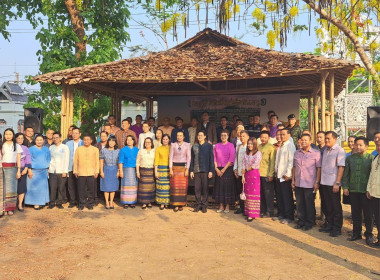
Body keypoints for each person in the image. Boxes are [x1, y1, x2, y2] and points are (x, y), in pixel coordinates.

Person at [342, 137, 374, 244]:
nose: (358, 147)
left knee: (368, 214)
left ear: (366, 146)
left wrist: (370, 190)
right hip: (353, 190)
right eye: (357, 145)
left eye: (361, 145)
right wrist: (345, 187)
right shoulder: (350, 159)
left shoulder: (371, 159)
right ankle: (356, 233)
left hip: (366, 192)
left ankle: (369, 234)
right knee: (355, 213)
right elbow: (345, 175)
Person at [292, 134, 321, 231]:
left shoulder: (316, 153)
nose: (303, 142)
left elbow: (318, 169)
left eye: (306, 140)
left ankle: (310, 222)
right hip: (298, 182)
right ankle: (301, 221)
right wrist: (293, 180)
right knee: (299, 203)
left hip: (309, 183)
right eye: (302, 140)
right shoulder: (296, 153)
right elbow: (294, 167)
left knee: (309, 203)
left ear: (310, 141)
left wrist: (317, 182)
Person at [319, 131, 346, 237]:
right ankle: (329, 225)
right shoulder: (325, 150)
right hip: (323, 182)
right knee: (326, 205)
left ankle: (337, 228)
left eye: (328, 138)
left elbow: (341, 167)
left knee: (335, 206)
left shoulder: (340, 150)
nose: (326, 140)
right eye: (325, 138)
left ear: (335, 139)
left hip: (333, 183)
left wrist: (337, 183)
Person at [273, 128, 296, 224]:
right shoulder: (281, 145)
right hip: (278, 175)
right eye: (280, 134)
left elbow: (291, 161)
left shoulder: (290, 146)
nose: (281, 136)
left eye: (283, 134)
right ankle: (281, 214)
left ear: (289, 135)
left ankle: (289, 216)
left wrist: (288, 174)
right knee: (279, 196)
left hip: (285, 176)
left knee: (287, 197)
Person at [190, 131, 214, 213]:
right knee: (197, 188)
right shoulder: (194, 146)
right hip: (196, 170)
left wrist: (211, 170)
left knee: (205, 188)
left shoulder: (209, 146)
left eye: (201, 135)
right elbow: (192, 160)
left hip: (206, 170)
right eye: (198, 135)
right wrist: (191, 170)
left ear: (205, 137)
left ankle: (204, 205)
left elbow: (211, 159)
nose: (199, 136)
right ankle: (198, 204)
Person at [73, 134, 99, 210]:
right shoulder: (79, 149)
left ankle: (90, 203)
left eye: (88, 140)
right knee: (81, 189)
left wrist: (96, 171)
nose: (86, 141)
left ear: (91, 141)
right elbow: (75, 161)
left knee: (91, 189)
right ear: (83, 141)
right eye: (84, 140)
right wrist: (75, 171)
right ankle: (81, 203)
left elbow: (97, 161)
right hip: (81, 172)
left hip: (92, 172)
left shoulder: (95, 149)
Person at [25, 134, 51, 210]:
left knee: (42, 188)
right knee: (34, 188)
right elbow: (28, 161)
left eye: (40, 140)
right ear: (35, 141)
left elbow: (48, 159)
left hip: (44, 171)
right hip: (34, 171)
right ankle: (35, 203)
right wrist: (29, 170)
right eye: (37, 140)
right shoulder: (31, 149)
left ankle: (42, 201)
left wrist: (48, 170)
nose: (39, 141)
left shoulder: (46, 149)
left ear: (43, 141)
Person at [213, 130, 236, 213]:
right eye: (222, 135)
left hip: (227, 169)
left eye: (225, 135)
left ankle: (227, 206)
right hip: (218, 169)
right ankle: (221, 205)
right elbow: (214, 157)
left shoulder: (231, 145)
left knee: (227, 188)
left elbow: (231, 158)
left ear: (228, 136)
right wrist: (216, 169)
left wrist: (223, 169)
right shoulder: (217, 145)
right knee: (220, 187)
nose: (223, 137)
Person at [169, 131, 191, 212]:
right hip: (175, 167)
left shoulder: (187, 145)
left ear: (184, 137)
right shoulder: (173, 144)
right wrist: (170, 169)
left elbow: (188, 157)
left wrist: (187, 169)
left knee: (182, 187)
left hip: (183, 168)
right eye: (178, 135)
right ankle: (175, 204)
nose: (179, 137)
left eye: (181, 135)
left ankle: (181, 204)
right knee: (175, 187)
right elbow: (170, 157)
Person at [1, 128, 22, 216]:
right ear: (4, 135)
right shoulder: (2, 145)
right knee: (3, 189)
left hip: (13, 168)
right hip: (3, 169)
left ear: (13, 135)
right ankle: (4, 209)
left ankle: (11, 208)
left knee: (12, 188)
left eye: (10, 134)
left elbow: (18, 159)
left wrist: (18, 171)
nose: (8, 136)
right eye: (6, 134)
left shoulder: (17, 146)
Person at [242, 137, 262, 221]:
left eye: (251, 144)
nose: (250, 145)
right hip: (246, 175)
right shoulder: (246, 153)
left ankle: (252, 214)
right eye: (249, 144)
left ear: (255, 144)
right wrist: (242, 176)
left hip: (254, 175)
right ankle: (247, 212)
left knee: (254, 194)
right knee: (247, 194)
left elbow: (255, 164)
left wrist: (246, 170)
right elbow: (243, 164)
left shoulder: (258, 153)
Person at [48, 132, 69, 209]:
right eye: (54, 138)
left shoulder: (65, 147)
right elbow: (49, 159)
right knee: (53, 187)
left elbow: (67, 160)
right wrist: (49, 169)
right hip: (52, 170)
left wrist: (65, 171)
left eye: (57, 137)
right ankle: (52, 202)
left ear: (60, 138)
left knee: (61, 188)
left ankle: (59, 202)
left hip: (62, 170)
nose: (55, 139)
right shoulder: (51, 147)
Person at [367, 132, 380, 248]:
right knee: (377, 218)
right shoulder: (375, 158)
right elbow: (372, 175)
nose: (379, 147)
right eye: (377, 146)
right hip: (375, 194)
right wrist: (368, 189)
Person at [258, 131, 276, 217]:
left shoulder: (271, 147)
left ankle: (270, 211)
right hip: (258, 174)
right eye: (262, 137)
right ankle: (262, 210)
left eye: (265, 137)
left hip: (267, 174)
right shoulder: (258, 147)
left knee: (268, 194)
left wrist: (271, 174)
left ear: (268, 138)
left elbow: (272, 162)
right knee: (260, 193)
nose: (263, 139)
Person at [99, 135, 120, 210]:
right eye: (110, 141)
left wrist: (119, 171)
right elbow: (101, 162)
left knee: (113, 187)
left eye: (113, 141)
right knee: (106, 187)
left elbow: (119, 163)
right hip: (106, 169)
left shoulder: (118, 151)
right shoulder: (103, 150)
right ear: (108, 142)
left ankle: (111, 202)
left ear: (115, 142)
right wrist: (101, 171)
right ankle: (107, 202)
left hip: (114, 169)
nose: (111, 142)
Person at [118, 135, 139, 208]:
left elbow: (139, 161)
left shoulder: (137, 150)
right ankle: (125, 202)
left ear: (134, 141)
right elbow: (120, 161)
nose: (129, 141)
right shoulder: (123, 150)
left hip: (134, 169)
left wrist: (137, 171)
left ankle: (132, 202)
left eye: (131, 140)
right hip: (126, 169)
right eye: (128, 140)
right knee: (126, 186)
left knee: (133, 186)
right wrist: (121, 171)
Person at [66, 127, 83, 208]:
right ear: (71, 134)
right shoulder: (68, 144)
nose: (75, 135)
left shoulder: (84, 142)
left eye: (77, 133)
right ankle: (72, 201)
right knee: (71, 185)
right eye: (73, 133)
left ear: (80, 134)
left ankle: (80, 201)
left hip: (81, 168)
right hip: (70, 167)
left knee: (80, 185)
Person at [136, 137, 156, 209]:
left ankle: (149, 202)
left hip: (151, 170)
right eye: (146, 142)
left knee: (150, 187)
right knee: (143, 188)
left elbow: (156, 162)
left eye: (149, 142)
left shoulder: (154, 151)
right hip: (143, 170)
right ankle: (144, 202)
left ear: (151, 143)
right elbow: (137, 162)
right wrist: (137, 171)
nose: (147, 143)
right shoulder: (141, 151)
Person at [234, 130, 249, 215]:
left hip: (246, 173)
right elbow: (236, 158)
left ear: (248, 137)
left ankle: (247, 208)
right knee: (240, 190)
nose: (242, 138)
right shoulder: (239, 146)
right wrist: (235, 169)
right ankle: (241, 207)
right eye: (241, 136)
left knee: (247, 190)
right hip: (239, 172)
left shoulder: (249, 146)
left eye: (244, 136)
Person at [15, 133, 31, 212]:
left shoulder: (25, 148)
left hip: (23, 170)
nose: (20, 140)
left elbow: (28, 159)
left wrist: (26, 169)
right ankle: (12, 204)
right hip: (13, 169)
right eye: (18, 138)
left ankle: (20, 204)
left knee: (21, 187)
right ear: (15, 139)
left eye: (22, 138)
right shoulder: (13, 147)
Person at [154, 134, 171, 210]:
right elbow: (156, 160)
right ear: (162, 140)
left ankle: (167, 202)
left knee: (167, 187)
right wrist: (156, 171)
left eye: (166, 139)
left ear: (169, 140)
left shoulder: (171, 148)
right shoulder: (158, 148)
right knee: (161, 187)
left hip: (169, 169)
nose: (165, 140)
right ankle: (161, 203)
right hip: (160, 169)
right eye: (164, 139)